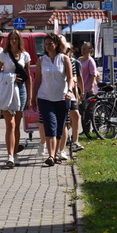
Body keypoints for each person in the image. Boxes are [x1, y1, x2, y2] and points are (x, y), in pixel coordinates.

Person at [31, 33, 73, 167]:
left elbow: (70, 78)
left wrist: (70, 91)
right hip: (45, 98)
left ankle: (55, 155)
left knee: (59, 128)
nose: (48, 46)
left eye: (51, 43)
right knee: (50, 125)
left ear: (56, 44)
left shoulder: (64, 58)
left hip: (61, 98)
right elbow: (37, 80)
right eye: (46, 44)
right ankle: (50, 155)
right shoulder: (41, 60)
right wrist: (33, 97)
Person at [0, 30, 31, 168]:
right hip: (7, 89)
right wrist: (10, 78)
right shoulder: (3, 55)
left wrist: (30, 97)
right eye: (12, 39)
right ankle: (9, 156)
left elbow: (28, 78)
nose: (14, 41)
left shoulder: (25, 55)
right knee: (10, 124)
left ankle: (15, 153)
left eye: (16, 38)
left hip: (21, 90)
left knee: (16, 124)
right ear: (8, 40)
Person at [57, 37, 84, 159]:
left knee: (76, 115)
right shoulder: (54, 59)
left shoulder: (73, 62)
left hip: (71, 92)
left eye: (68, 50)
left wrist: (79, 92)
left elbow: (77, 78)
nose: (67, 52)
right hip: (58, 93)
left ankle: (75, 141)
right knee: (63, 121)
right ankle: (58, 145)